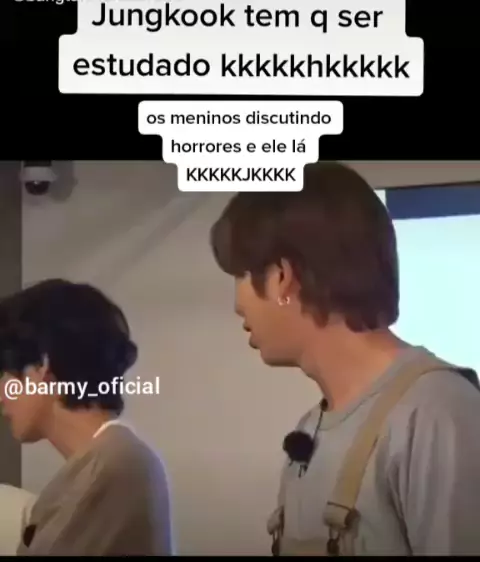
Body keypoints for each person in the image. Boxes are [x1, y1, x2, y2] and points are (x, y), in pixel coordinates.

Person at [209, 161, 480, 556]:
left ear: (283, 277)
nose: (237, 305)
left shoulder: (437, 414)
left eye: (242, 274)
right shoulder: (311, 428)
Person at [0, 279, 173, 556]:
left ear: (42, 366)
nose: (1, 395)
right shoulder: (104, 464)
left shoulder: (114, 468)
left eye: (5, 373)